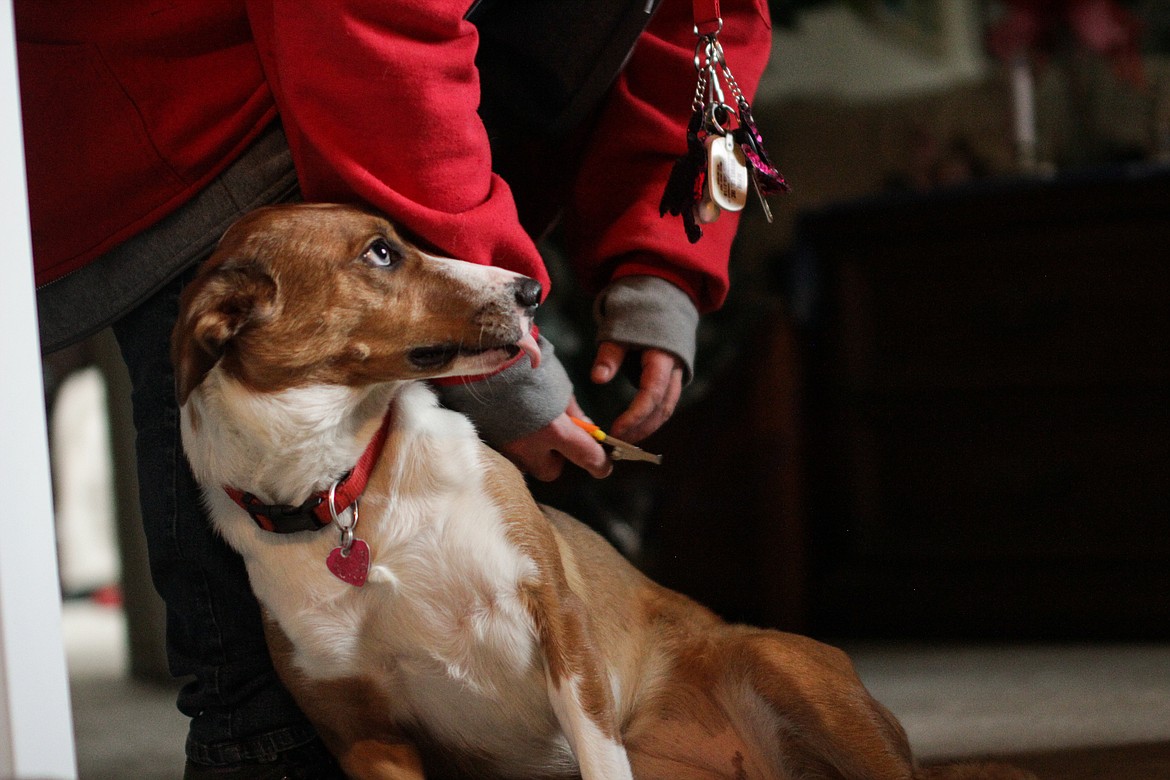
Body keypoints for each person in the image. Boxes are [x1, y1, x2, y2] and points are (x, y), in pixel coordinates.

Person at [17, 0, 773, 776]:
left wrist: (661, 268)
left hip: (420, 145)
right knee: (263, 711)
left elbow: (701, 29)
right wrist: (507, 369)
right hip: (200, 142)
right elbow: (372, 40)